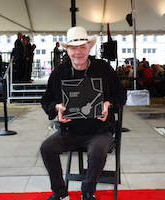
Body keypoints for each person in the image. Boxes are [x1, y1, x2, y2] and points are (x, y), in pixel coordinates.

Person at [40, 26, 126, 200]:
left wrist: (108, 104)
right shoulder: (60, 72)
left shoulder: (103, 69)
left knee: (97, 152)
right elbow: (46, 100)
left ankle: (87, 191)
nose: (78, 52)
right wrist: (57, 107)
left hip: (99, 131)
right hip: (69, 131)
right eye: (73, 47)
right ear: (67, 50)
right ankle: (60, 193)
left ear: (89, 48)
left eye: (82, 47)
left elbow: (121, 95)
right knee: (46, 148)